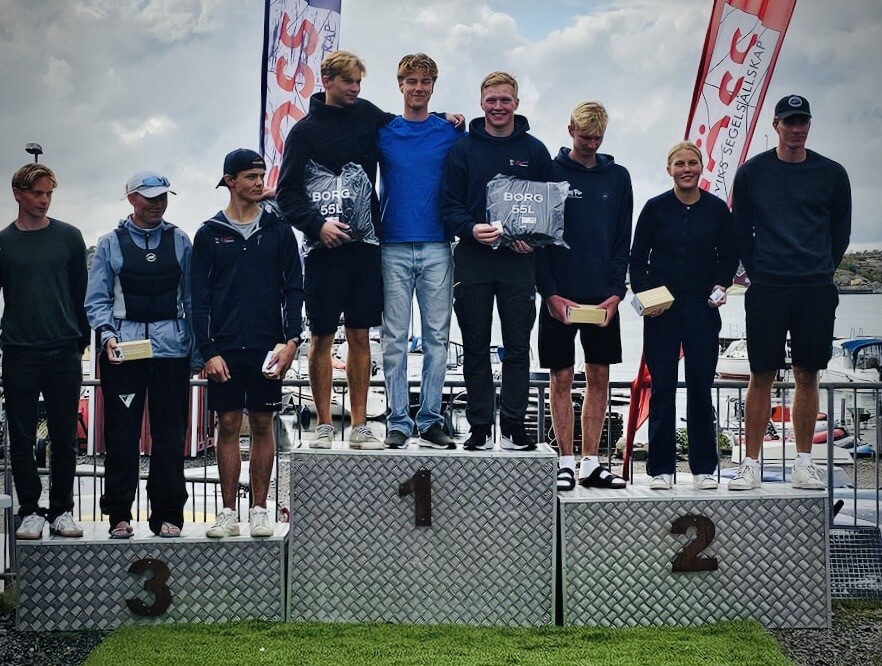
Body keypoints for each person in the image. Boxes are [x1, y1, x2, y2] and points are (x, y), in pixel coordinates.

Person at [731, 94, 851, 491]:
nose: (796, 128)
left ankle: (803, 463)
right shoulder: (752, 173)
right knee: (761, 373)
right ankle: (750, 464)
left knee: (807, 373)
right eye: (789, 122)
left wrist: (821, 269)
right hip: (768, 287)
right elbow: (740, 230)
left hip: (815, 287)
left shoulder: (832, 173)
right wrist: (759, 271)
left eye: (802, 121)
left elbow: (840, 233)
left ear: (809, 125)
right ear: (776, 125)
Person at [275, 51, 393, 451]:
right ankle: (323, 424)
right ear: (327, 80)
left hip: (366, 247)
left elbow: (405, 127)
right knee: (321, 335)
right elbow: (287, 193)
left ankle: (360, 425)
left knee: (360, 334)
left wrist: (445, 119)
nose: (355, 89)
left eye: (359, 82)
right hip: (322, 251)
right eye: (348, 82)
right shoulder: (303, 132)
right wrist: (317, 225)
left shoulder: (367, 114)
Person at [192, 149, 302, 538]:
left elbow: (294, 288)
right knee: (226, 423)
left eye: (261, 175)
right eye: (251, 177)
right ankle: (226, 513)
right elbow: (198, 299)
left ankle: (258, 509)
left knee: (261, 422)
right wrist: (208, 351)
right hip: (224, 347)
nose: (259, 183)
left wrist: (291, 341)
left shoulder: (278, 230)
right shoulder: (208, 233)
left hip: (267, 345)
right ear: (230, 181)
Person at [442, 71, 553, 451]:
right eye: (492, 100)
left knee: (517, 348)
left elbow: (550, 208)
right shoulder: (463, 149)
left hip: (518, 264)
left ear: (516, 103)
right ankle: (479, 426)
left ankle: (513, 427)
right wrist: (471, 228)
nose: (498, 107)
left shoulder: (535, 151)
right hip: (473, 259)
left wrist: (532, 239)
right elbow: (449, 206)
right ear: (481, 102)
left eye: (505, 100)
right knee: (474, 347)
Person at [85, 171, 194, 538]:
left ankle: (168, 515)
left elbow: (191, 298)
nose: (158, 204)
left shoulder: (180, 240)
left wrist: (195, 349)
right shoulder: (109, 243)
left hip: (171, 352)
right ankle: (118, 514)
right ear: (132, 198)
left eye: (163, 197)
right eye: (150, 198)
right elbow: (96, 300)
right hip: (124, 352)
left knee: (170, 434)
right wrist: (107, 336)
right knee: (121, 435)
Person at [629, 141, 738, 490]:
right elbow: (637, 259)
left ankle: (703, 468)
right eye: (680, 163)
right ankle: (660, 470)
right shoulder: (655, 208)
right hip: (662, 311)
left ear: (701, 167)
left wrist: (721, 285)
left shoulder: (717, 209)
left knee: (700, 388)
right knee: (662, 388)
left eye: (692, 162)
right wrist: (647, 297)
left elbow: (729, 256)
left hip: (702, 309)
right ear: (669, 169)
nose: (686, 169)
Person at [536, 102, 632, 490]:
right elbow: (540, 239)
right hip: (559, 296)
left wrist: (616, 293)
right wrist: (549, 293)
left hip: (602, 297)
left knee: (599, 376)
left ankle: (591, 463)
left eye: (597, 138)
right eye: (585, 136)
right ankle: (564, 462)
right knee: (561, 377)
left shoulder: (618, 177)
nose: (591, 143)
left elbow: (622, 240)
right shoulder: (550, 172)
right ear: (571, 130)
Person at [377, 53, 463, 450]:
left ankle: (429, 420)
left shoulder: (450, 131)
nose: (418, 88)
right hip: (392, 244)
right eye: (411, 81)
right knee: (394, 339)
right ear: (400, 85)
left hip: (437, 245)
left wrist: (450, 117)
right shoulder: (383, 132)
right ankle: (398, 420)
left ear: (433, 86)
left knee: (437, 339)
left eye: (425, 81)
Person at [1, 164, 89, 540]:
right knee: (21, 438)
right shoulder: (4, 242)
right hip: (19, 352)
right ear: (18, 194)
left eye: (49, 193)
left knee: (64, 437)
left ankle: (62, 510)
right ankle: (30, 512)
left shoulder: (69, 237)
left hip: (62, 351)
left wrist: (79, 342)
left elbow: (81, 295)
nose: (44, 200)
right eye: (37, 193)